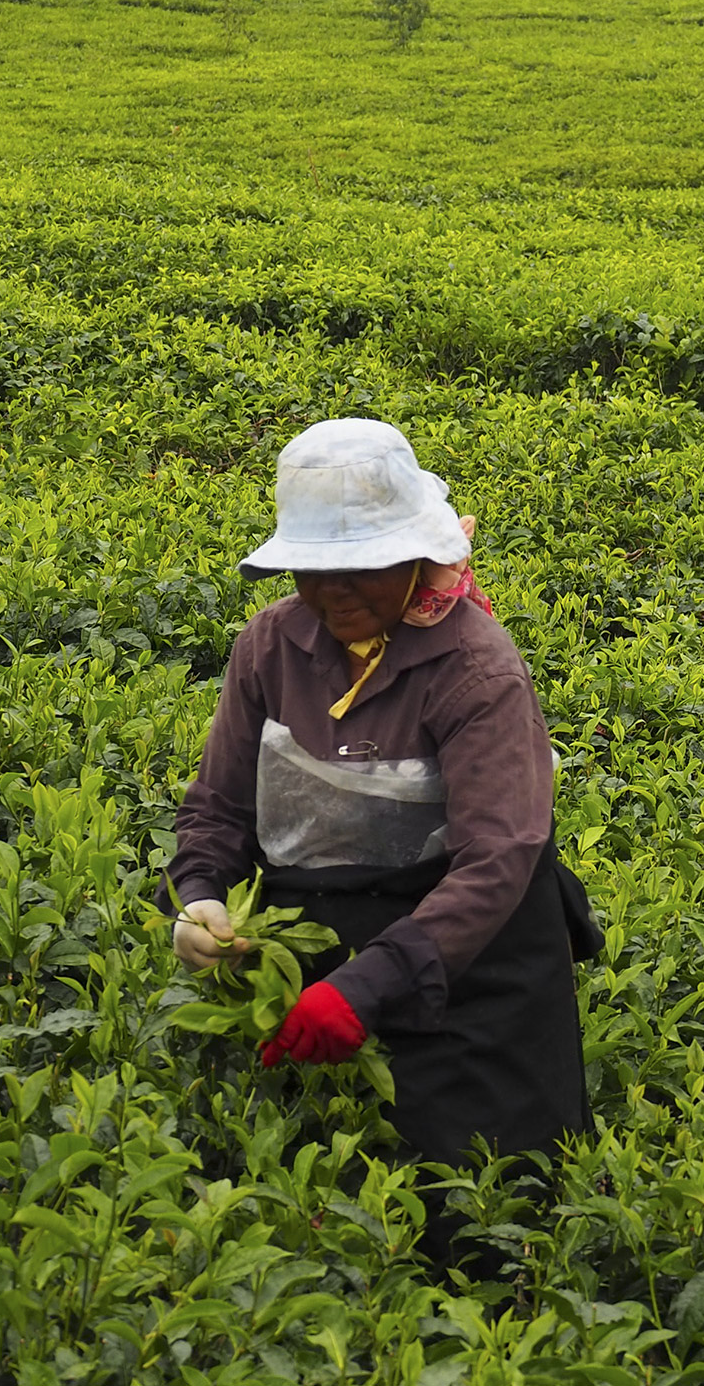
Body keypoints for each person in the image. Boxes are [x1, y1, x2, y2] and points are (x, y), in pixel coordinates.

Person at [165, 418, 596, 1182]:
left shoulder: (476, 670)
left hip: (469, 962)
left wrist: (370, 983)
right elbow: (217, 808)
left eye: (362, 565)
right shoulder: (267, 646)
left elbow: (498, 857)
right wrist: (199, 898)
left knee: (476, 1196)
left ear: (414, 556)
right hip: (316, 952)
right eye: (314, 567)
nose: (335, 589)